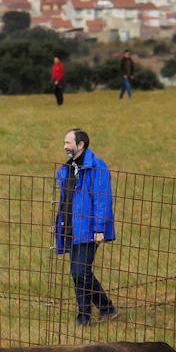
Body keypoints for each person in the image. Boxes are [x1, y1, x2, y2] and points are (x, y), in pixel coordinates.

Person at [53, 128, 117, 326]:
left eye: (68, 143)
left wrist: (99, 229)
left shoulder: (97, 167)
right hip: (71, 229)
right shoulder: (68, 169)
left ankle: (88, 316)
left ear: (80, 145)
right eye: (64, 143)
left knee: (80, 273)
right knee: (79, 273)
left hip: (88, 230)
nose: (65, 147)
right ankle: (102, 309)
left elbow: (102, 199)